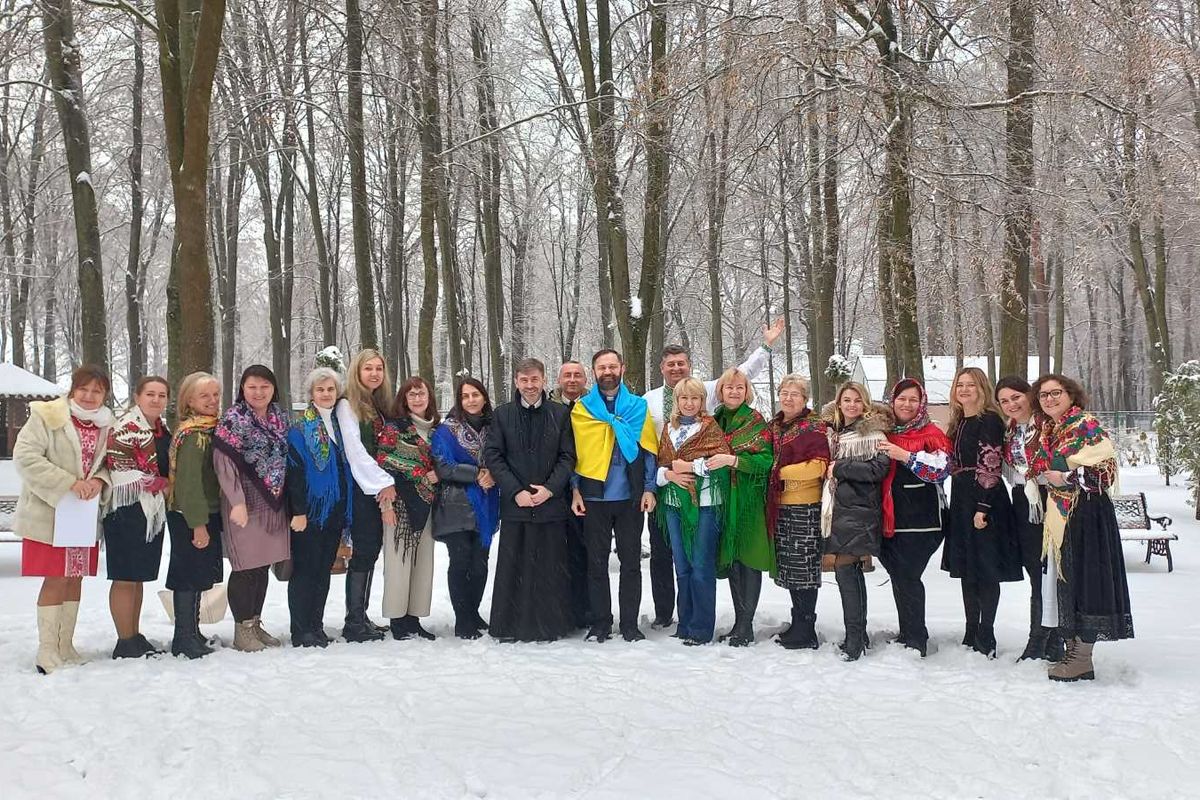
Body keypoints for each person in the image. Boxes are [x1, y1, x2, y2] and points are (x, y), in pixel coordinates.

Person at [640, 317, 785, 628]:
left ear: (689, 366)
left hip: (705, 495)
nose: (676, 368)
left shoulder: (705, 392)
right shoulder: (649, 401)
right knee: (667, 557)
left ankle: (699, 622)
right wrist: (657, 481)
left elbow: (741, 377)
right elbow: (651, 449)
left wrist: (766, 345)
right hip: (668, 493)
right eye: (670, 364)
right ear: (662, 368)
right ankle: (668, 614)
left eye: (681, 363)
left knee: (700, 561)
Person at [1028, 374, 1133, 682]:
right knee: (1065, 581)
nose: (1049, 399)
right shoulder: (1046, 430)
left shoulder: (1085, 426)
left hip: (1087, 514)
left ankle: (1082, 657)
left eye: (1055, 393)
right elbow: (1037, 466)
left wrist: (1067, 478)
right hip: (1059, 514)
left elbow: (1106, 472)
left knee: (1086, 580)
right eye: (1043, 395)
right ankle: (1072, 650)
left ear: (1071, 395)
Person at [13, 365, 114, 674]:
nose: (89, 396)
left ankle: (65, 645)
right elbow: (26, 457)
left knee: (74, 577)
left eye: (96, 391)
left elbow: (109, 463)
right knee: (55, 576)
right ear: (73, 389)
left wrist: (99, 480)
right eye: (84, 389)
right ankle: (46, 651)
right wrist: (68, 482)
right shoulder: (48, 416)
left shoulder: (106, 424)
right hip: (51, 511)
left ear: (104, 395)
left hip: (83, 516)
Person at [483, 358, 577, 642]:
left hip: (550, 504)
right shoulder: (502, 414)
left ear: (544, 380)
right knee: (514, 566)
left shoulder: (560, 414)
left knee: (550, 567)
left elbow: (568, 456)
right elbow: (494, 456)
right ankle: (510, 625)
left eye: (535, 380)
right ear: (516, 382)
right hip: (516, 505)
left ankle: (550, 625)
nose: (530, 386)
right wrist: (515, 491)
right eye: (524, 380)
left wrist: (549, 489)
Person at [571, 349, 659, 642]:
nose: (607, 371)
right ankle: (601, 623)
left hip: (629, 497)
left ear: (622, 368)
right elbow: (573, 455)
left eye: (612, 366)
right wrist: (574, 490)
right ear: (594, 371)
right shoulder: (582, 410)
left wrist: (648, 488)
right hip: (594, 497)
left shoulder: (637, 407)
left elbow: (648, 451)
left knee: (631, 563)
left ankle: (630, 624)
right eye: (601, 367)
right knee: (596, 564)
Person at [941, 367, 1022, 658]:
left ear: (982, 389)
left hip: (984, 498)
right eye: (960, 384)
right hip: (962, 496)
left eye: (971, 385)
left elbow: (991, 462)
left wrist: (983, 506)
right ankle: (970, 628)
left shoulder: (989, 420)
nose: (964, 390)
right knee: (968, 569)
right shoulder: (959, 420)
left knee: (986, 569)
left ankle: (986, 633)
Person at [213, 365, 290, 652]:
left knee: (262, 564)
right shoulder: (234, 419)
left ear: (273, 389)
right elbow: (224, 464)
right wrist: (237, 502)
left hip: (273, 503)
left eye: (264, 386)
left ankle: (255, 623)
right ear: (242, 390)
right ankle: (241, 629)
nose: (258, 392)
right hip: (244, 503)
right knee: (245, 566)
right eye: (252, 387)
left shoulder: (280, 418)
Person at [877, 379, 952, 657]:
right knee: (899, 576)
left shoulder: (930, 433)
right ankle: (908, 630)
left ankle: (917, 637)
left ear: (921, 403)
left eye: (913, 399)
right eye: (901, 399)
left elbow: (943, 469)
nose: (907, 405)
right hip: (888, 519)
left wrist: (906, 456)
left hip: (922, 521)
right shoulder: (882, 432)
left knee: (908, 575)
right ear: (892, 401)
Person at [654, 378, 732, 645]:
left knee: (701, 567)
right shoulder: (668, 429)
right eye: (684, 398)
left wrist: (688, 467)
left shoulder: (710, 427)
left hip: (705, 504)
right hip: (674, 504)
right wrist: (669, 475)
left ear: (702, 402)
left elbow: (720, 462)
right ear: (676, 401)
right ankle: (685, 623)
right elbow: (661, 466)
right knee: (682, 567)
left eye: (695, 398)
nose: (689, 403)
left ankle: (701, 628)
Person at [996, 375, 1065, 663]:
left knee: (1053, 571)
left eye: (1016, 397)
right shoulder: (1011, 431)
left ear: (1030, 395)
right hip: (1023, 502)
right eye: (1004, 401)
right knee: (1036, 572)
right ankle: (1044, 637)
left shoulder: (1047, 425)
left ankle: (1049, 638)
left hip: (1050, 501)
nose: (1011, 404)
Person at [103, 376, 172, 659]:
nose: (156, 399)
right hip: (126, 508)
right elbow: (116, 465)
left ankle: (133, 634)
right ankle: (124, 639)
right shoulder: (126, 427)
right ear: (137, 396)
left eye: (162, 395)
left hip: (150, 511)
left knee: (139, 577)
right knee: (124, 577)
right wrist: (154, 482)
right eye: (150, 394)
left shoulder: (159, 429)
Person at [821, 381, 891, 661]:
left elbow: (879, 468)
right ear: (838, 403)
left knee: (845, 568)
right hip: (837, 508)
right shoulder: (833, 432)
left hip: (860, 508)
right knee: (849, 572)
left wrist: (841, 467)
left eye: (857, 400)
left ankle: (854, 639)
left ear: (865, 404)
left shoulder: (874, 432)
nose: (851, 405)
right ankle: (858, 634)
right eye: (846, 400)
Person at [285, 367, 355, 647]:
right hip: (310, 511)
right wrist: (298, 511)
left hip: (336, 510)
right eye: (320, 390)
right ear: (311, 394)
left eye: (330, 390)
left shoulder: (342, 425)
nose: (326, 394)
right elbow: (295, 473)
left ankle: (316, 624)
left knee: (324, 568)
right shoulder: (300, 428)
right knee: (305, 570)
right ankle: (301, 629)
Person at [334, 349, 398, 643]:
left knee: (370, 551)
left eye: (378, 369)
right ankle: (353, 622)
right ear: (357, 372)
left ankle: (361, 615)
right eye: (368, 368)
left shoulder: (378, 404)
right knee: (364, 551)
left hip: (376, 485)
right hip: (361, 488)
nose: (374, 373)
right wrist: (383, 483)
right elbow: (355, 451)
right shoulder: (348, 405)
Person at [431, 378, 500, 639]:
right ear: (459, 401)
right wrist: (477, 474)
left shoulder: (495, 427)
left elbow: (505, 457)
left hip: (487, 503)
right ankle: (463, 620)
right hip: (456, 504)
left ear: (484, 397)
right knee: (461, 561)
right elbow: (443, 466)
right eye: (465, 396)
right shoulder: (446, 430)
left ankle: (473, 612)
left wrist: (492, 473)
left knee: (480, 563)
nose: (471, 400)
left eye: (476, 395)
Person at [711, 368, 775, 647]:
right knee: (732, 560)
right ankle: (739, 620)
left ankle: (746, 625)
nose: (734, 392)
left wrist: (734, 461)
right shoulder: (714, 422)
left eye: (739, 387)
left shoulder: (756, 422)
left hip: (748, 499)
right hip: (722, 499)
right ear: (721, 392)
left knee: (748, 559)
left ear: (746, 391)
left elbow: (766, 461)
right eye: (729, 388)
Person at [165, 372, 225, 659]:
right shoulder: (193, 435)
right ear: (189, 400)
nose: (212, 400)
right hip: (190, 515)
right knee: (187, 576)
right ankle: (183, 637)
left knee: (199, 573)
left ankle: (193, 630)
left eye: (215, 394)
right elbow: (189, 484)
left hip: (207, 512)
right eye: (205, 396)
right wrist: (198, 526)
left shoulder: (212, 429)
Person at [766, 375, 829, 650]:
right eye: (784, 392)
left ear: (805, 399)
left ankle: (806, 628)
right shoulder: (775, 426)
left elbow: (817, 466)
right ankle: (798, 623)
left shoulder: (813, 427)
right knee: (791, 568)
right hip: (780, 505)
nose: (788, 398)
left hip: (804, 506)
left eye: (795, 394)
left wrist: (779, 473)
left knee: (803, 568)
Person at [380, 376, 440, 640]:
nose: (417, 399)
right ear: (404, 399)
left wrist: (438, 472)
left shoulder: (438, 430)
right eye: (411, 395)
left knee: (423, 563)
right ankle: (397, 620)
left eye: (421, 394)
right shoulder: (395, 428)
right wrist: (418, 472)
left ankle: (414, 618)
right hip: (400, 504)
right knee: (399, 562)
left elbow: (444, 461)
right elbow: (383, 461)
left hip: (428, 504)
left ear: (429, 397)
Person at [551, 360, 591, 628]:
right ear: (559, 379)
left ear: (585, 379)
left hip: (588, 488)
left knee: (584, 552)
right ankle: (559, 611)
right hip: (554, 488)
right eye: (568, 375)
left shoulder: (593, 407)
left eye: (578, 375)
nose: (572, 380)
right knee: (556, 553)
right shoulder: (550, 408)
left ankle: (584, 610)